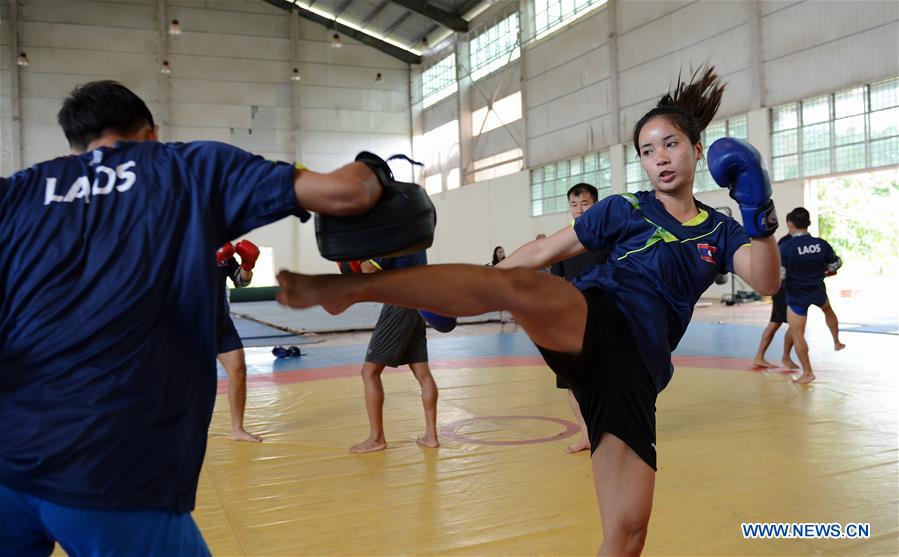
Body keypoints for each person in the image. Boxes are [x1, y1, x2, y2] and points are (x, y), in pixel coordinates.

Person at [276, 66, 781, 555]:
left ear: (697, 149)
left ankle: (430, 297)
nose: (660, 159)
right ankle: (367, 288)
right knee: (524, 287)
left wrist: (761, 218)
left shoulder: (721, 230)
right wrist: (480, 284)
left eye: (670, 145)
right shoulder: (624, 209)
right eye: (648, 151)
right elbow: (541, 254)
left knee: (627, 536)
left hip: (637, 375)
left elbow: (764, 280)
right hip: (600, 320)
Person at [0, 80, 383, 555]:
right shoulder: (189, 166)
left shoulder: (18, 190)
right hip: (109, 462)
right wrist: (372, 166)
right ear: (150, 133)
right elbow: (346, 194)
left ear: (73, 143)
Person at [349, 252, 440, 453]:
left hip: (399, 302)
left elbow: (368, 269)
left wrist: (354, 254)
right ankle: (431, 436)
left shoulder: (395, 237)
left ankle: (377, 438)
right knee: (422, 373)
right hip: (419, 303)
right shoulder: (417, 234)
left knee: (369, 372)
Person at [550, 183, 611, 453]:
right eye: (574, 205)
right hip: (571, 321)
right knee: (571, 381)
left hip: (604, 318)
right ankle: (586, 433)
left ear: (595, 205)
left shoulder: (609, 239)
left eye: (584, 204)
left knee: (607, 378)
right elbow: (555, 282)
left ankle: (610, 432)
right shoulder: (563, 242)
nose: (579, 210)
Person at [778, 207, 845, 384]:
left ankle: (807, 372)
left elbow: (781, 275)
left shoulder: (786, 247)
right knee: (828, 310)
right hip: (817, 290)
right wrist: (825, 272)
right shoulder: (821, 244)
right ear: (808, 223)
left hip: (796, 295)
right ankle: (837, 341)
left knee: (797, 332)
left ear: (790, 224)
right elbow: (835, 264)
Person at [216, 239, 263, 442]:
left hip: (220, 324)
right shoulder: (183, 244)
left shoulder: (221, 245)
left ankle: (238, 429)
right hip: (191, 324)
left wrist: (247, 264)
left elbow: (241, 282)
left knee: (238, 371)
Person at [752, 234, 797, 369]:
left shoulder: (798, 241)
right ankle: (781, 357)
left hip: (790, 289)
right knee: (778, 323)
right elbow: (777, 267)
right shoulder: (786, 243)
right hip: (783, 290)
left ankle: (778, 357)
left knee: (789, 324)